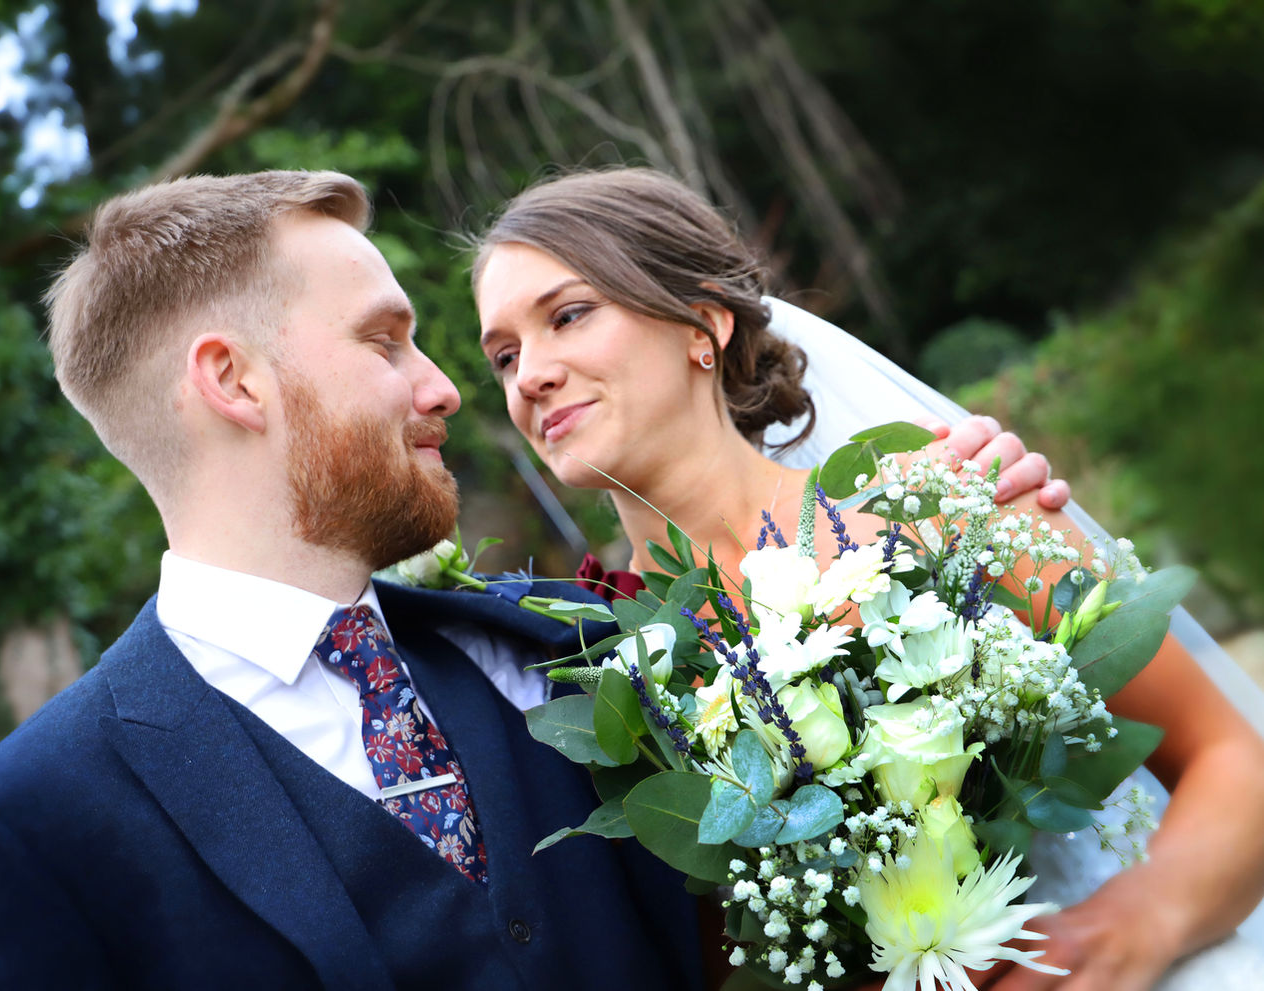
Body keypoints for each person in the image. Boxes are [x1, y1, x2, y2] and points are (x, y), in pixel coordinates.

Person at [0, 171, 700, 990]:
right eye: (384, 341)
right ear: (233, 380)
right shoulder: (20, 832)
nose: (444, 389)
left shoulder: (560, 647)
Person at [471, 166, 1264, 990]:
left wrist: (1138, 920)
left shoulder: (942, 505)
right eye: (504, 356)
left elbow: (1229, 756)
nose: (530, 377)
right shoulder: (610, 675)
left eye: (568, 315)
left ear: (702, 323)